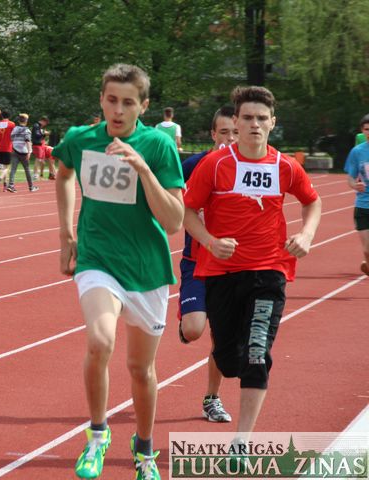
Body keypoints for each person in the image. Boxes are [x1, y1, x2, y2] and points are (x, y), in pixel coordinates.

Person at [54, 63, 184, 479]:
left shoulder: (158, 145)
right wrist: (66, 232)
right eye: (111, 100)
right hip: (98, 259)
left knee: (140, 370)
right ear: (101, 99)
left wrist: (142, 168)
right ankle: (97, 434)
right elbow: (63, 174)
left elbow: (174, 220)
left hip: (146, 267)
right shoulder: (81, 139)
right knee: (100, 341)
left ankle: (143, 450)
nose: (118, 110)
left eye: (128, 102)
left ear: (143, 106)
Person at [183, 86, 321, 447]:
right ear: (236, 122)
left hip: (269, 271)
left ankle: (241, 441)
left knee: (257, 354)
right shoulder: (215, 165)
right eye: (247, 118)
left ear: (273, 122)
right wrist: (210, 241)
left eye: (262, 118)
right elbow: (187, 210)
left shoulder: (285, 166)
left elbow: (312, 201)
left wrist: (306, 234)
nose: (254, 124)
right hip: (222, 272)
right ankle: (227, 372)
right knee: (230, 360)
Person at [177, 106, 238, 423]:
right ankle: (185, 320)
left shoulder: (249, 169)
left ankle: (212, 399)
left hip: (231, 266)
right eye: (224, 132)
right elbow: (170, 196)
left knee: (222, 337)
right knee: (193, 330)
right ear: (213, 134)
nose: (230, 139)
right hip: (196, 262)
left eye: (235, 133)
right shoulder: (192, 165)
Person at [344, 113, 369, 276]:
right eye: (367, 129)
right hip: (363, 206)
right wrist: (355, 185)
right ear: (362, 131)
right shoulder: (357, 152)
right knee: (367, 249)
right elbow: (351, 178)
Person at [7, 114, 38, 193]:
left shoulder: (14, 129)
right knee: (27, 169)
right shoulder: (27, 130)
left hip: (14, 150)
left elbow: (11, 138)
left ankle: (11, 185)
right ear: (26, 121)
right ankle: (31, 187)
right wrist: (29, 152)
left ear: (18, 120)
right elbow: (28, 141)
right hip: (24, 152)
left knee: (13, 169)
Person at [0, 111, 15, 191]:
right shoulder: (11, 124)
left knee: (3, 166)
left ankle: (5, 185)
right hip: (8, 147)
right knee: (6, 167)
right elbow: (14, 135)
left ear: (2, 116)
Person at [31, 115, 55, 180]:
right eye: (45, 123)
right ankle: (35, 174)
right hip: (37, 145)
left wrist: (44, 134)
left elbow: (40, 136)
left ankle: (40, 175)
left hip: (40, 145)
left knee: (41, 161)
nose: (45, 125)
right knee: (38, 159)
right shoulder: (36, 125)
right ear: (43, 121)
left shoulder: (39, 126)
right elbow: (37, 135)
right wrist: (44, 133)